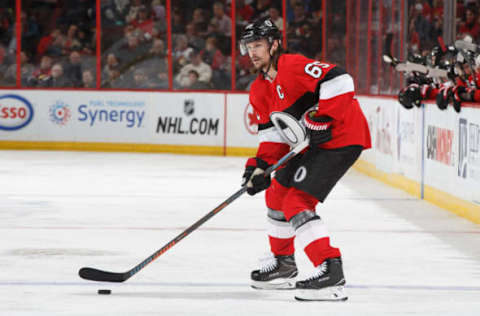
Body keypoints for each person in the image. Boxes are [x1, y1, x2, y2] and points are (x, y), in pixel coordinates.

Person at [239, 17, 371, 301]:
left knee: (296, 202)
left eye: (258, 45)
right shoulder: (259, 90)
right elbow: (273, 137)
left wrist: (323, 118)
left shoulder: (292, 65)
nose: (253, 52)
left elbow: (340, 79)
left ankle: (329, 270)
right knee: (276, 195)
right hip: (312, 146)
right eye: (249, 46)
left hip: (342, 137)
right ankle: (284, 265)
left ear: (274, 45)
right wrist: (259, 166)